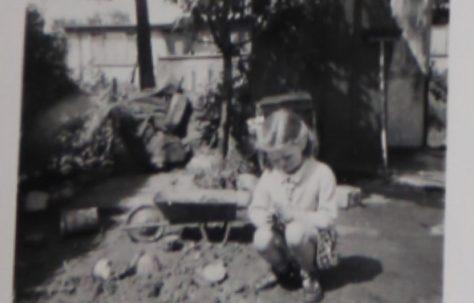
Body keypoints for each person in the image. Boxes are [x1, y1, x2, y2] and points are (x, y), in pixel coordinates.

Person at [248, 109, 339, 303]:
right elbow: (256, 208)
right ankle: (283, 270)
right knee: (261, 237)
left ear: (303, 143)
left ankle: (309, 273)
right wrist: (262, 218)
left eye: (287, 157)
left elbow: (328, 218)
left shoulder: (321, 173)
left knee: (295, 232)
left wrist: (297, 215)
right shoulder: (271, 174)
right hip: (283, 236)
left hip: (312, 240)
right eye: (274, 158)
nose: (281, 163)